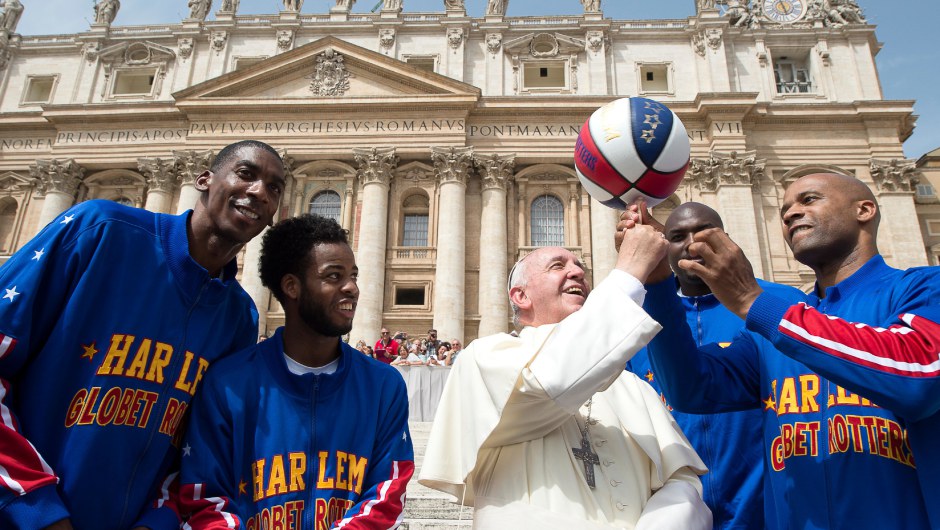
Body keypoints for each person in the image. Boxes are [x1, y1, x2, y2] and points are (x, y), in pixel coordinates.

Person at [0, 140, 285, 529]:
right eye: (246, 174)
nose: (258, 192)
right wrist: (36, 507)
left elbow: (198, 445)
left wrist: (156, 522)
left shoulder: (240, 317)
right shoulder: (99, 230)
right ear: (203, 179)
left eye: (274, 188)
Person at [630, 173, 940, 529]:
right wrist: (657, 285)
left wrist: (751, 300)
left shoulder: (925, 288)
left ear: (864, 210)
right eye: (784, 209)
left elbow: (919, 374)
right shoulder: (775, 329)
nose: (791, 213)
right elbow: (691, 389)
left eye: (808, 200)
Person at [418, 224, 711, 529]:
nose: (577, 273)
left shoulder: (634, 386)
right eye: (558, 266)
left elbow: (683, 483)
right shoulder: (484, 357)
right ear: (520, 295)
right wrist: (630, 270)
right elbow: (552, 382)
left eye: (580, 267)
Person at [178, 214, 414, 528]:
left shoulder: (384, 385)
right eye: (334, 276)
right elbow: (205, 498)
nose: (352, 288)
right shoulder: (227, 383)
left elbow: (387, 492)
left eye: (353, 275)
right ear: (292, 286)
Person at [627, 202, 797, 530]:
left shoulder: (777, 302)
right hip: (671, 511)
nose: (693, 244)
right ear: (665, 247)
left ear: (727, 238)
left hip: (771, 505)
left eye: (705, 233)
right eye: (677, 236)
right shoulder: (640, 318)